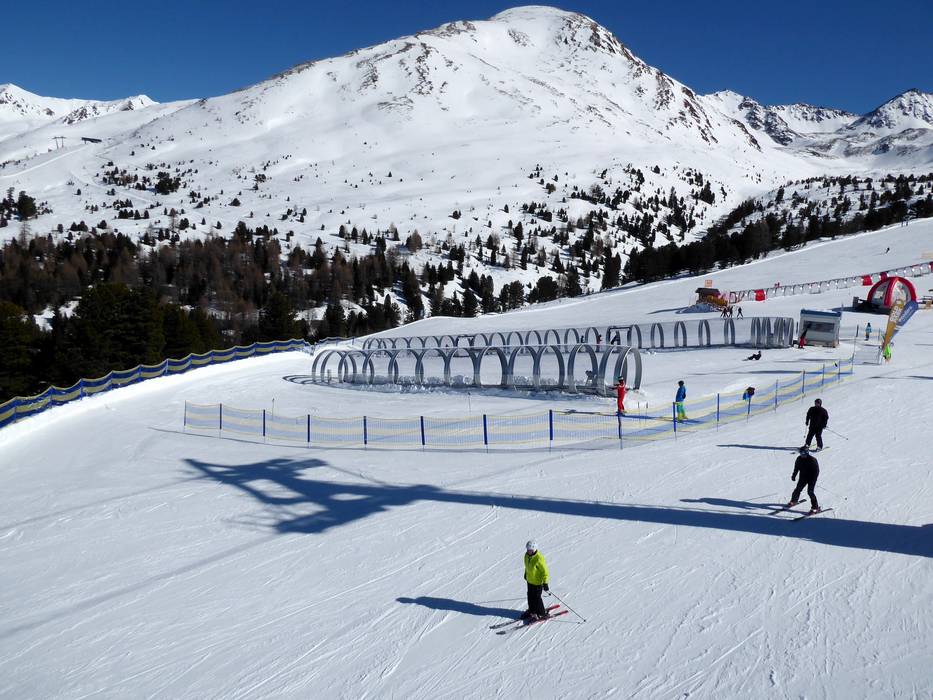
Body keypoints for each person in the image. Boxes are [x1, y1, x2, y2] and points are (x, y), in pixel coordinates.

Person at [522, 540, 550, 621]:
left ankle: (542, 613)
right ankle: (532, 611)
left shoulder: (539, 558)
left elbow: (545, 572)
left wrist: (545, 583)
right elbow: (527, 566)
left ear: (534, 549)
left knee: (537, 598)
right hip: (530, 581)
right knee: (530, 596)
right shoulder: (526, 556)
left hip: (537, 583)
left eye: (530, 550)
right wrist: (526, 574)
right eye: (527, 549)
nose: (528, 551)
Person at [788, 446, 820, 514]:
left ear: (807, 453)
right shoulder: (799, 459)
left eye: (803, 453)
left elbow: (816, 471)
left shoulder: (812, 460)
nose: (802, 455)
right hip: (803, 477)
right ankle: (794, 500)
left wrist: (813, 479)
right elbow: (796, 468)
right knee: (797, 489)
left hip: (811, 478)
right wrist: (794, 475)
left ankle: (815, 507)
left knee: (810, 492)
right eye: (800, 453)